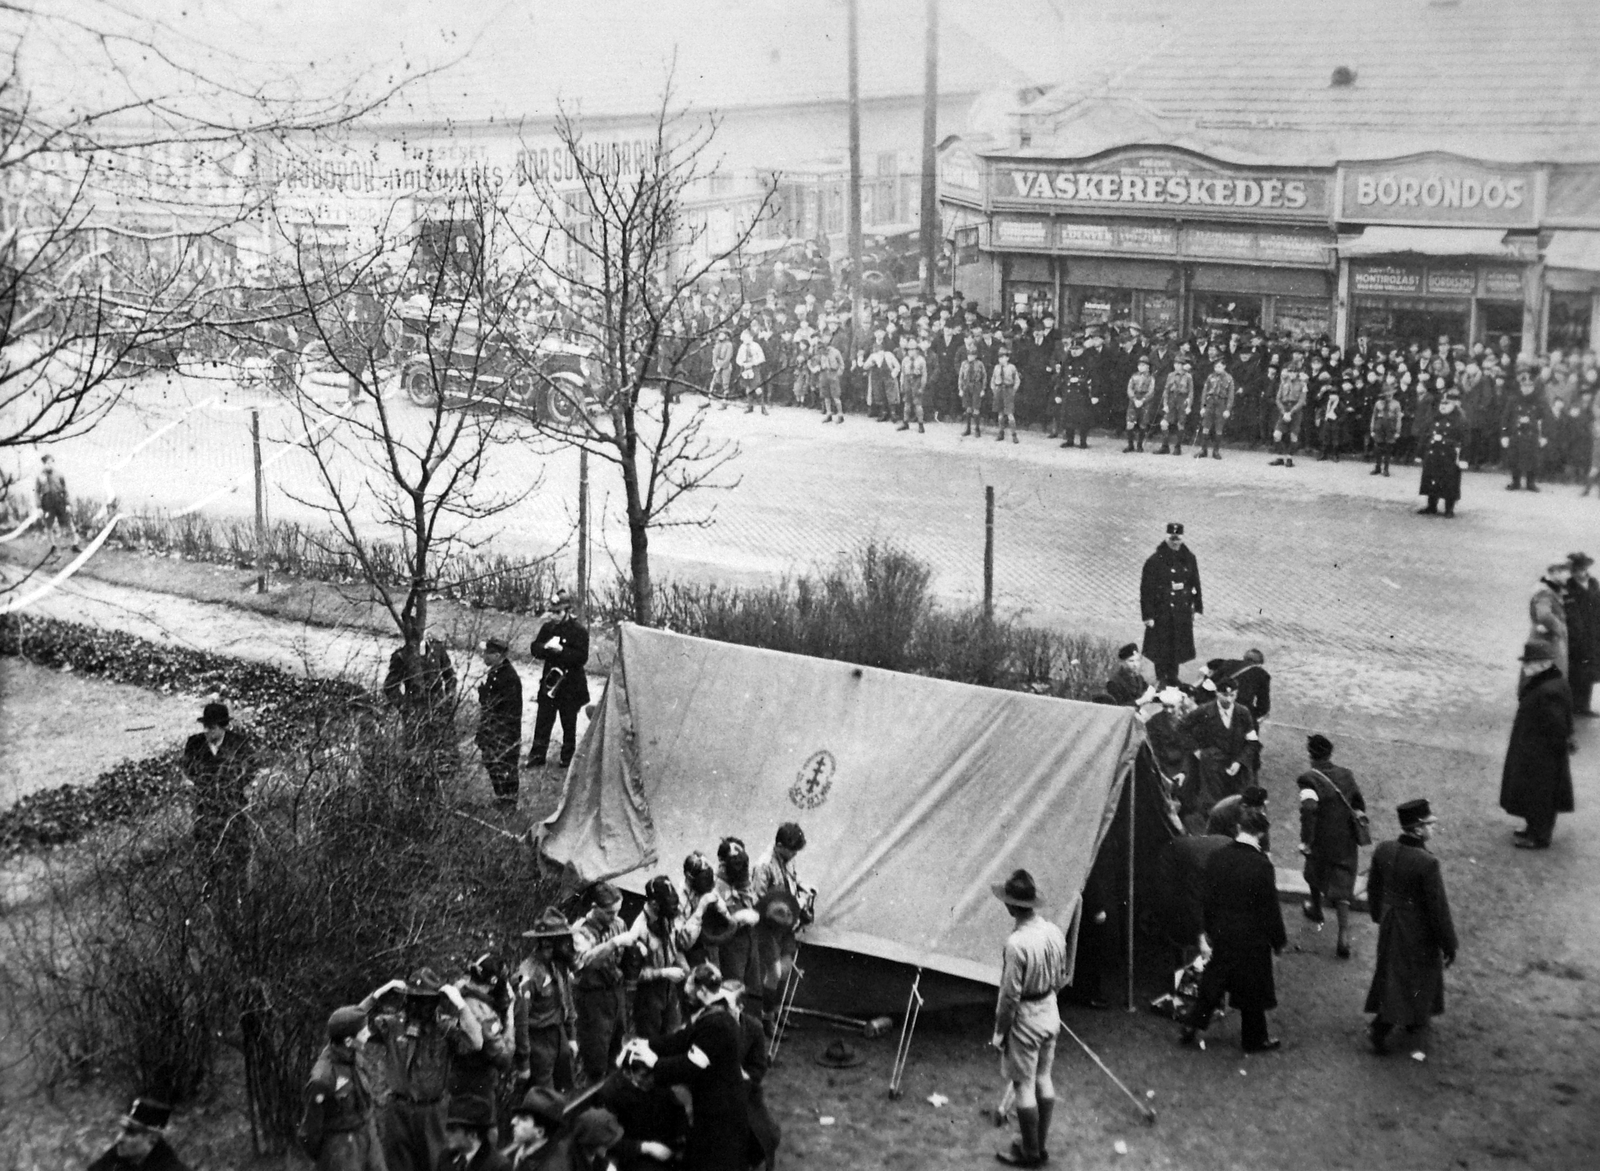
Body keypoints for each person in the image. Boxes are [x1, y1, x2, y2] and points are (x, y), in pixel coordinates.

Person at [1179, 806, 1286, 1053]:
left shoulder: (1218, 856)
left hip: (1222, 931)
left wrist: (1207, 929)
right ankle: (1254, 1039)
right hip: (1251, 936)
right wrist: (1278, 940)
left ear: (1238, 829)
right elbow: (1269, 908)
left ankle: (1191, 1025)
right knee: (1253, 989)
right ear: (1260, 834)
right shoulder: (1261, 866)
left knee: (1214, 980)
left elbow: (1207, 897)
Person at [361, 968, 485, 1171]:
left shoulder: (444, 1028)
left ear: (435, 1001)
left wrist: (461, 1005)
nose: (419, 1006)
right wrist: (376, 996)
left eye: (426, 1000)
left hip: (433, 1113)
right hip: (398, 1111)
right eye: (414, 999)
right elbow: (350, 1025)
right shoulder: (393, 1025)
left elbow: (477, 1042)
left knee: (437, 1165)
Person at [986, 869, 1067, 1168]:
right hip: (1050, 1009)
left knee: (1023, 1085)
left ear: (1010, 906)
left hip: (1026, 1018)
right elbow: (1061, 974)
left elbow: (1009, 998)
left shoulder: (1017, 943)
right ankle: (1038, 1145)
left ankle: (1030, 1152)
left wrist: (999, 1032)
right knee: (1044, 1078)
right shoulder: (1054, 931)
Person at [1364, 799, 1458, 1056]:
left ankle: (1413, 1018)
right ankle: (1383, 1027)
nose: (1433, 828)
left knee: (1390, 972)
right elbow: (1437, 907)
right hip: (1417, 929)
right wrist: (1449, 943)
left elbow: (1373, 887)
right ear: (1418, 829)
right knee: (1415, 976)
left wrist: (1378, 915)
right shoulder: (1427, 862)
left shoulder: (1384, 849)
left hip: (1390, 922)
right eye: (1429, 824)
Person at [637, 964, 752, 1171]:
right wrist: (648, 1044)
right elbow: (682, 1039)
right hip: (713, 1102)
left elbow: (690, 1066)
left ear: (702, 991)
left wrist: (654, 1063)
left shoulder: (716, 1023)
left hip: (720, 1110)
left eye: (690, 989)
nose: (687, 994)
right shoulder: (713, 1012)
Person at [1499, 640, 1575, 850]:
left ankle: (1539, 836)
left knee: (1540, 795)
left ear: (1543, 663)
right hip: (1536, 750)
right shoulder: (1548, 681)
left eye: (1529, 663)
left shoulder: (1548, 690)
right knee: (1534, 794)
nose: (1525, 667)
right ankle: (1533, 828)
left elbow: (1556, 725)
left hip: (1541, 754)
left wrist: (1549, 749)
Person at [1297, 735, 1366, 959]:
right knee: (1343, 880)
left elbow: (1309, 809)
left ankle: (1316, 909)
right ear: (1330, 754)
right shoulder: (1346, 774)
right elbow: (1358, 802)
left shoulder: (1308, 778)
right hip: (1345, 838)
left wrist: (1307, 840)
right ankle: (1343, 935)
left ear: (1310, 755)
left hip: (1321, 838)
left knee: (1314, 871)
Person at [570, 882, 640, 1085]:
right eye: (609, 912)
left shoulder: (618, 924)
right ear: (594, 907)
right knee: (596, 1057)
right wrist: (613, 943)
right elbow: (586, 962)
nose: (614, 917)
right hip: (593, 999)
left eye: (617, 912)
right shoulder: (580, 931)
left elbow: (627, 958)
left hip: (615, 994)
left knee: (617, 1051)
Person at [298, 1006, 383, 1171]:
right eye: (364, 1033)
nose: (369, 1035)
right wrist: (329, 1156)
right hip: (341, 1150)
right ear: (348, 1041)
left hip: (367, 1139)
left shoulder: (355, 1057)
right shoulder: (323, 1078)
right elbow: (309, 1132)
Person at [179, 700, 258, 870]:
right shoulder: (194, 744)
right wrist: (197, 785)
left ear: (223, 727)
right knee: (206, 847)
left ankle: (239, 886)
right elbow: (188, 769)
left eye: (212, 727)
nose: (207, 731)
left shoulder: (239, 743)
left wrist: (244, 787)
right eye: (205, 726)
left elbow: (251, 768)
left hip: (233, 803)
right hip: (205, 803)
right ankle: (208, 883)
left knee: (237, 847)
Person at [592, 1046, 688, 1171]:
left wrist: (682, 1137)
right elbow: (609, 1139)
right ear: (627, 1073)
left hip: (667, 1144)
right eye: (644, 1076)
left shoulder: (657, 1081)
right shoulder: (611, 1093)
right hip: (636, 1155)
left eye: (653, 1074)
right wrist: (644, 1147)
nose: (650, 1080)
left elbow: (677, 1110)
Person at [514, 910, 579, 1094]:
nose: (567, 945)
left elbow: (567, 1001)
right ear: (547, 942)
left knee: (567, 1093)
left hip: (559, 1037)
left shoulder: (558, 965)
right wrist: (524, 1063)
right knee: (544, 1098)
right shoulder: (527, 975)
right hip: (538, 1044)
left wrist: (571, 1036)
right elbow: (521, 1022)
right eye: (562, 941)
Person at [528, 590, 590, 770]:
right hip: (550, 682)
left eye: (558, 612)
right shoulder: (548, 628)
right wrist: (546, 648)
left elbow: (582, 657)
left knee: (568, 723)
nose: (554, 616)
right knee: (543, 720)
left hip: (570, 685)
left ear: (568, 611)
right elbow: (535, 649)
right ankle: (537, 755)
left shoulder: (579, 631)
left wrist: (562, 652)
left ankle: (567, 757)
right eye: (552, 612)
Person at [629, 876, 694, 1044]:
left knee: (673, 1038)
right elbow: (633, 976)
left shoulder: (666, 919)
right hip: (648, 995)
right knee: (650, 1043)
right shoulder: (639, 930)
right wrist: (663, 972)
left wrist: (684, 967)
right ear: (654, 904)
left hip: (669, 990)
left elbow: (675, 948)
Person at [452, 956, 517, 1126]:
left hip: (453, 1079)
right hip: (477, 1080)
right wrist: (510, 1018)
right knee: (486, 1130)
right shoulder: (481, 1010)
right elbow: (503, 1058)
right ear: (494, 981)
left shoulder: (456, 995)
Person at [1140, 523, 1203, 687]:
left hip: (1181, 611)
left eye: (1178, 539)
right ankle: (1161, 677)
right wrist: (1148, 616)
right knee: (1161, 646)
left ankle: (1173, 676)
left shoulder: (1189, 558)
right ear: (1166, 537)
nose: (1175, 543)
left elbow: (1195, 583)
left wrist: (1198, 607)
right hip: (1162, 612)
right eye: (1172, 539)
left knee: (1177, 645)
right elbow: (1146, 590)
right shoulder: (1154, 561)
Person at [477, 638, 523, 807]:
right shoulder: (496, 672)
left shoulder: (508, 677)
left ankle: (509, 800)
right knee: (491, 762)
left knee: (505, 764)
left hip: (504, 731)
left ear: (496, 655)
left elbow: (506, 707)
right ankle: (501, 797)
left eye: (486, 654)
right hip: (492, 728)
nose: (483, 657)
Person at [88, 1098, 189, 1171]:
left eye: (130, 1132)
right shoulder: (118, 1156)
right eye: (121, 1130)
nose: (119, 1139)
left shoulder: (171, 1167)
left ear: (152, 1139)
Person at [1417, 390, 1466, 516]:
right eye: (1441, 404)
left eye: (1447, 404)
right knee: (1431, 479)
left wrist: (1463, 458)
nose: (1443, 407)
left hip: (1449, 455)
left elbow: (1465, 440)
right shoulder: (1434, 417)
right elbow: (1425, 435)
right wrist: (1420, 453)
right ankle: (1431, 505)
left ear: (1453, 405)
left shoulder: (1459, 420)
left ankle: (1449, 509)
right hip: (1433, 454)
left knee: (1449, 482)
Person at [1564, 552, 1600, 716]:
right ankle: (1572, 705)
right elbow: (1570, 611)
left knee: (1591, 667)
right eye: (1576, 569)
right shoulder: (1569, 586)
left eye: (1582, 568)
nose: (1580, 572)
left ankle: (1584, 706)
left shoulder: (1593, 583)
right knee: (1576, 667)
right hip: (1576, 631)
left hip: (1594, 630)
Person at [1501, 370, 1548, 490]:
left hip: (1532, 435)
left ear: (1533, 387)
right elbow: (1506, 418)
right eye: (1524, 386)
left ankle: (1530, 483)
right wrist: (1504, 435)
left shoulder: (1539, 400)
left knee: (1532, 460)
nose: (1526, 388)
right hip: (1516, 434)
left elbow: (1545, 419)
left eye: (1529, 386)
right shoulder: (1513, 400)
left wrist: (1544, 436)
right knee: (1514, 458)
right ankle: (1515, 482)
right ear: (1520, 386)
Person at [501, 1088, 567, 1170]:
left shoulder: (550, 1167)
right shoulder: (525, 1150)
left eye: (523, 1119)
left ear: (539, 1132)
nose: (513, 1121)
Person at [438, 1096, 511, 1171]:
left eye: (453, 1130)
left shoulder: (498, 1166)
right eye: (447, 1128)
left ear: (472, 1135)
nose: (446, 1134)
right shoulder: (445, 1158)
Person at [1529, 563, 1571, 683]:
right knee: (1549, 685)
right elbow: (1544, 615)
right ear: (1555, 572)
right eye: (1565, 573)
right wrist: (1561, 628)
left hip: (1548, 645)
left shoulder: (1551, 590)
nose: (1568, 577)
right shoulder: (1544, 591)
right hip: (1546, 645)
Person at [34, 453, 80, 549]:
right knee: (48, 525)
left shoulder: (59, 475)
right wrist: (38, 507)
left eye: (51, 462)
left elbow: (65, 490)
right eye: (47, 463)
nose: (49, 465)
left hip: (59, 501)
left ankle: (75, 543)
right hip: (47, 503)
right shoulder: (40, 476)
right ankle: (53, 546)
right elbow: (37, 492)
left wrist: (67, 504)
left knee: (68, 522)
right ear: (43, 464)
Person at [1196, 358, 1235, 459]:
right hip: (1210, 403)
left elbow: (1230, 396)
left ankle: (1216, 451)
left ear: (1224, 366)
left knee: (1219, 427)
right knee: (1206, 426)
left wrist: (1228, 409)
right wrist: (1203, 407)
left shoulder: (1229, 378)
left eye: (1219, 366)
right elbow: (1204, 393)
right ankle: (1203, 450)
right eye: (1215, 367)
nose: (1217, 369)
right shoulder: (1210, 377)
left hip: (1221, 403)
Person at [1155, 358, 1193, 455]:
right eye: (1175, 364)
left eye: (1179, 364)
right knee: (1164, 423)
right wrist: (1165, 404)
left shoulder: (1188, 376)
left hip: (1182, 399)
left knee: (1180, 423)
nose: (1177, 366)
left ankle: (1177, 447)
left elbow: (1191, 392)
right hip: (1172, 399)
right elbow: (1166, 390)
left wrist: (1189, 405)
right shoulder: (1170, 375)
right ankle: (1165, 446)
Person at [1122, 355, 1157, 452]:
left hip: (1145, 401)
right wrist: (1134, 399)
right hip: (1134, 399)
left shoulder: (1151, 378)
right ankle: (1130, 445)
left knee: (1143, 423)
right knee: (1130, 422)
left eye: (1143, 365)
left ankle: (1139, 445)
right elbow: (1129, 388)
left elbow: (1151, 391)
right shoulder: (1134, 376)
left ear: (1148, 367)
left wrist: (1142, 400)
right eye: (1139, 365)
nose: (1140, 367)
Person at [1369, 380, 1403, 476]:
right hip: (1379, 426)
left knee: (1388, 448)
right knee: (1378, 448)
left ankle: (1386, 469)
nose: (1388, 397)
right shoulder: (1378, 403)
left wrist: (1397, 431)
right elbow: (1374, 417)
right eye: (1386, 395)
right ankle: (1377, 467)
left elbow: (1398, 418)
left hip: (1390, 426)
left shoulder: (1396, 404)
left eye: (1390, 395)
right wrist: (1372, 429)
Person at [896, 336, 928, 433]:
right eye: (909, 350)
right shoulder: (905, 360)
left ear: (917, 350)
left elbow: (924, 374)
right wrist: (901, 384)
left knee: (918, 404)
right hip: (907, 381)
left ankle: (921, 424)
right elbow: (902, 373)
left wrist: (922, 386)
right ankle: (905, 422)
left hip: (916, 381)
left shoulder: (921, 360)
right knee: (907, 403)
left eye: (913, 350)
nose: (911, 352)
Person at [957, 336, 988, 437]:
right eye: (969, 355)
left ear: (975, 356)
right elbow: (961, 377)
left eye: (972, 355)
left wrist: (983, 389)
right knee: (968, 408)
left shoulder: (979, 364)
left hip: (976, 386)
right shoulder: (964, 364)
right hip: (966, 386)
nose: (970, 357)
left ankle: (977, 429)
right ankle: (968, 428)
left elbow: (984, 377)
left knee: (976, 408)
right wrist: (960, 389)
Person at [990, 345, 1021, 443]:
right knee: (1000, 413)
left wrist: (1013, 390)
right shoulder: (996, 368)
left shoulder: (1011, 367)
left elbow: (1017, 380)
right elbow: (993, 380)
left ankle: (1014, 435)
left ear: (1007, 358)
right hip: (999, 391)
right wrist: (994, 390)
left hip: (1008, 390)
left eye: (1003, 357)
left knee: (1010, 413)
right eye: (1000, 357)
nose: (1001, 360)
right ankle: (1001, 432)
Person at [735, 328, 767, 414]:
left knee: (757, 387)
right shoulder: (742, 347)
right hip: (745, 368)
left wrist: (753, 363)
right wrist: (743, 364)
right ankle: (750, 406)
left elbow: (762, 358)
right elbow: (738, 359)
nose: (745, 339)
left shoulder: (756, 346)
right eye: (744, 337)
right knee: (748, 387)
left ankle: (763, 407)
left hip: (754, 368)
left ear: (751, 337)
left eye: (747, 337)